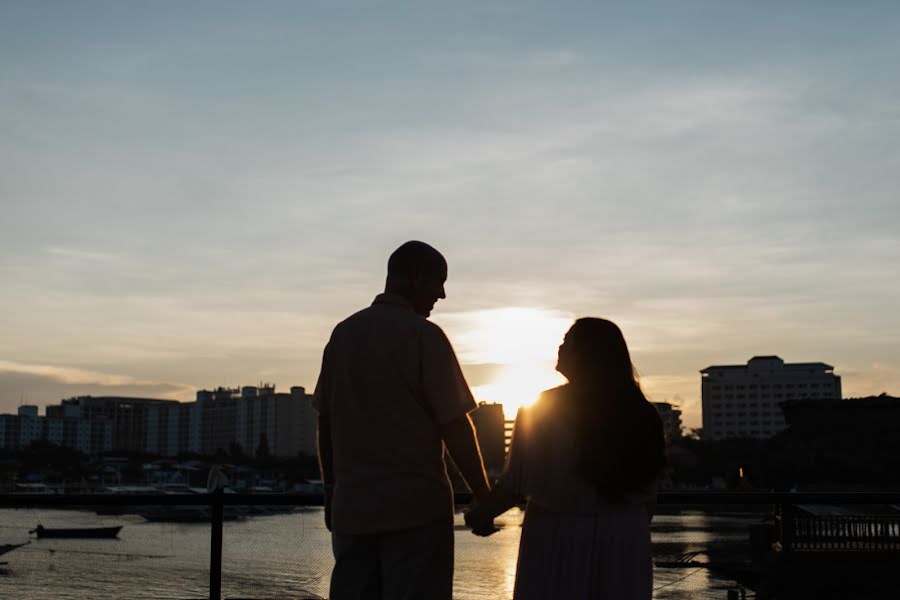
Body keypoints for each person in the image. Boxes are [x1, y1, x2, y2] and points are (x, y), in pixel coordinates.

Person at [313, 240, 491, 600]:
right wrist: (483, 495)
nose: (441, 294)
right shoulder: (425, 336)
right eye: (438, 282)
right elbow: (455, 425)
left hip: (352, 513)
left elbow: (326, 425)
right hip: (416, 513)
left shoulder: (342, 335)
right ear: (417, 278)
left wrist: (331, 491)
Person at [466, 317, 666, 599]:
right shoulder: (644, 414)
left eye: (567, 342)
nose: (559, 348)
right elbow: (649, 497)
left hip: (557, 536)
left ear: (586, 354)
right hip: (625, 537)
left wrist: (480, 514)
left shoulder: (543, 409)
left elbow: (516, 483)